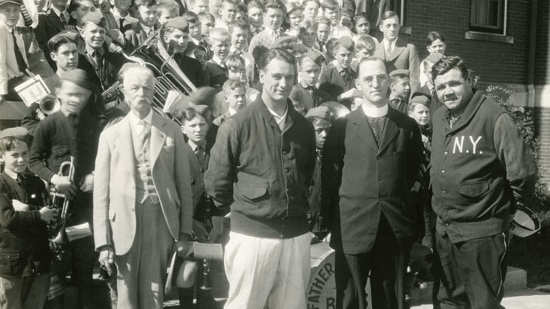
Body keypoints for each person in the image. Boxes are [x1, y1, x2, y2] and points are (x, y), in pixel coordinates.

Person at [205, 48, 316, 309]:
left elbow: (309, 177)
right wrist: (244, 213)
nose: (283, 84)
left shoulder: (304, 126)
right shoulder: (237, 124)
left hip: (295, 235)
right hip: (252, 237)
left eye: (289, 77)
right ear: (260, 75)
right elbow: (216, 181)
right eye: (276, 76)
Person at [430, 55, 537, 309]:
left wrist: (509, 215)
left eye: (454, 84)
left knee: (483, 303)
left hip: (482, 233)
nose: (448, 91)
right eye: (441, 87)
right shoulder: (439, 117)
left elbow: (523, 173)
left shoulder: (494, 117)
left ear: (468, 80)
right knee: (448, 301)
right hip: (445, 230)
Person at [321, 56, 422, 309]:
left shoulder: (408, 127)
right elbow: (331, 179)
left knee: (389, 299)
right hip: (352, 226)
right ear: (358, 84)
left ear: (389, 81)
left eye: (380, 77)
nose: (375, 83)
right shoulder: (341, 127)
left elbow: (411, 175)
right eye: (368, 79)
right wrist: (327, 223)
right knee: (350, 299)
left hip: (393, 227)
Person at [93, 64, 194, 309]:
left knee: (155, 289)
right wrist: (103, 242)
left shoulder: (171, 130)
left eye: (146, 88)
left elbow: (184, 185)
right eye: (134, 88)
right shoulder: (110, 135)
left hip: (160, 219)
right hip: (122, 223)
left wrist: (185, 232)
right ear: (124, 93)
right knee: (125, 289)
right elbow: (101, 193)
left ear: (154, 91)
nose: (141, 94)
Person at [28, 69, 101, 309]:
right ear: (58, 93)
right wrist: (53, 179)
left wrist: (94, 174)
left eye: (80, 95)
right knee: (56, 269)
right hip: (55, 209)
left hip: (82, 208)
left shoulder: (94, 125)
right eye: (70, 94)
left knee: (84, 266)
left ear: (88, 97)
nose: (75, 99)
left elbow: (103, 160)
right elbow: (33, 161)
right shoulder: (48, 125)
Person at [0, 127, 56, 309]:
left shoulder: (36, 182)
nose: (21, 159)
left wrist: (27, 209)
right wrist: (39, 214)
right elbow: (8, 218)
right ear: (1, 156)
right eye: (15, 155)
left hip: (38, 262)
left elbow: (52, 213)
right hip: (11, 266)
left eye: (25, 154)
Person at [178, 105, 225, 309]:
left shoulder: (217, 152)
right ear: (183, 129)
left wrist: (219, 225)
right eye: (193, 125)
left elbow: (225, 188)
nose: (198, 129)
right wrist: (189, 225)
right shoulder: (178, 155)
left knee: (210, 274)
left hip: (213, 226)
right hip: (188, 225)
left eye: (202, 124)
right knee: (188, 272)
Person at [79, 10, 126, 91]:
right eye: (93, 31)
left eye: (101, 32)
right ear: (82, 33)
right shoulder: (78, 60)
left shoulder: (116, 58)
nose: (98, 35)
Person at [374, 11, 420, 92]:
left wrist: (413, 102)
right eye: (388, 26)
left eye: (395, 25)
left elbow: (414, 80)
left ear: (399, 26)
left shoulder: (409, 49)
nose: (392, 29)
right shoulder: (374, 50)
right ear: (381, 28)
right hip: (380, 99)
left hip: (402, 100)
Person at [304, 106, 331, 242]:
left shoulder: (336, 158)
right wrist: (303, 230)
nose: (324, 135)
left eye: (328, 130)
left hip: (329, 230)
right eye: (319, 130)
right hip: (304, 229)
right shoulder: (300, 158)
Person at [0, 0, 32, 103]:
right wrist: (2, 92)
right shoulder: (1, 29)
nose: (12, 15)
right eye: (7, 10)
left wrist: (29, 77)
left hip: (18, 79)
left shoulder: (14, 31)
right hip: (8, 84)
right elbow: (0, 63)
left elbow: (22, 62)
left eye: (16, 10)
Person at [163, 16, 208, 88]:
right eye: (177, 36)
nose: (182, 41)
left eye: (185, 37)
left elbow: (202, 94)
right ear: (166, 39)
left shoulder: (195, 64)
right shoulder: (159, 63)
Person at [319, 36, 357, 109]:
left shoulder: (357, 75)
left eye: (349, 55)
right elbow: (322, 103)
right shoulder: (327, 76)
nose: (346, 59)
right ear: (335, 55)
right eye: (343, 55)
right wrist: (341, 97)